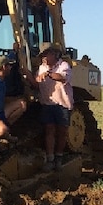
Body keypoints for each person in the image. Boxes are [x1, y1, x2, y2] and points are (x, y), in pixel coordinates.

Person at [35, 42, 73, 171]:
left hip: (61, 104)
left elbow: (62, 78)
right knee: (49, 131)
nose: (44, 58)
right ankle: (50, 158)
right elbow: (36, 83)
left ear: (54, 54)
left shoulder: (63, 66)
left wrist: (49, 74)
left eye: (46, 55)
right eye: (42, 55)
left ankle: (59, 157)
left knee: (62, 132)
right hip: (47, 104)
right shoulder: (41, 68)